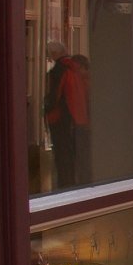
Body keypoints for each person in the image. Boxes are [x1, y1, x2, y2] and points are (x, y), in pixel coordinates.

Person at [44, 42, 93, 189]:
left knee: (63, 158)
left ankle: (66, 187)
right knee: (78, 157)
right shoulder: (77, 69)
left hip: (61, 119)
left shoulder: (59, 71)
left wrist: (45, 111)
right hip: (79, 119)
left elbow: (54, 97)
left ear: (53, 55)